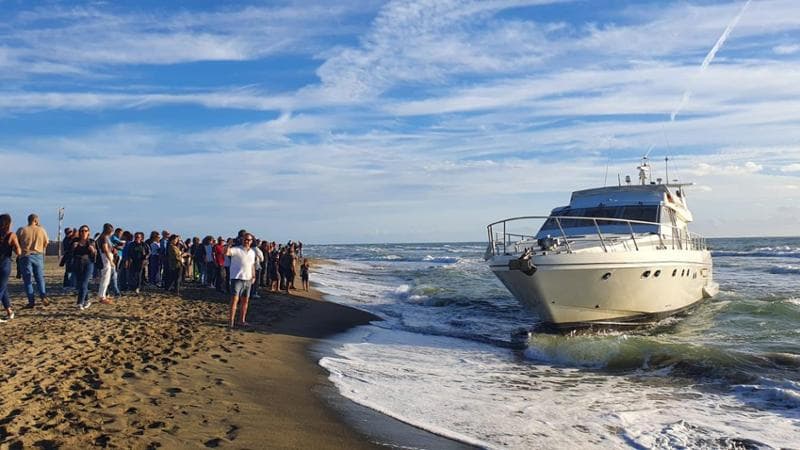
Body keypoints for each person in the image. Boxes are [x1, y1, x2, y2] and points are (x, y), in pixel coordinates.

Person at [17, 213, 50, 308]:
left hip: (25, 255)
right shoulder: (41, 230)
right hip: (38, 254)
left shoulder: (22, 230)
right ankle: (43, 296)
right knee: (40, 278)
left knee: (27, 280)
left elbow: (16, 242)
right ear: (36, 220)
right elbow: (46, 242)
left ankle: (31, 301)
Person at [227, 233, 256, 329]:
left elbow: (252, 265)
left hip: (248, 279)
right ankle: (231, 321)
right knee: (234, 300)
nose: (247, 241)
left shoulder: (252, 252)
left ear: (251, 241)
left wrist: (253, 275)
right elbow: (226, 253)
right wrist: (228, 244)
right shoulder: (237, 249)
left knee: (245, 301)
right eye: (245, 239)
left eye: (249, 240)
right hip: (237, 278)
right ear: (242, 239)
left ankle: (241, 320)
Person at [0, 214, 22, 321]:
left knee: (3, 288)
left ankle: (9, 311)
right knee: (1, 288)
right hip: (4, 263)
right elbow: (18, 251)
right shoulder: (11, 235)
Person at [72, 225, 97, 310]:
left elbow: (95, 255)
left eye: (85, 231)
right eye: (82, 231)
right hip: (78, 263)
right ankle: (87, 300)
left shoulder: (91, 242)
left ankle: (80, 303)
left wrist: (93, 250)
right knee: (81, 284)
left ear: (88, 232)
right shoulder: (75, 241)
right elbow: (70, 253)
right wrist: (73, 247)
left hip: (88, 263)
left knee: (84, 282)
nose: (83, 233)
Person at [96, 223, 115, 305]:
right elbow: (105, 249)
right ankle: (102, 296)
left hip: (106, 256)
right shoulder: (103, 238)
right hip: (105, 258)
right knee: (105, 277)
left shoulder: (105, 237)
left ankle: (103, 294)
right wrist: (111, 260)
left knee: (107, 277)